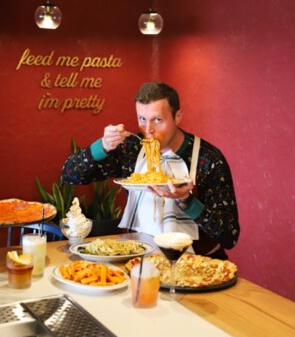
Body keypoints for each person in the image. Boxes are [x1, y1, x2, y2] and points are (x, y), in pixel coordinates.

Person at [61, 82, 240, 259]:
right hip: (139, 262)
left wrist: (187, 201)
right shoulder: (131, 149)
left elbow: (229, 235)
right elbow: (70, 175)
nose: (148, 130)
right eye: (142, 119)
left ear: (177, 117)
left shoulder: (208, 158)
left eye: (158, 120)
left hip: (200, 265)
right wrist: (104, 146)